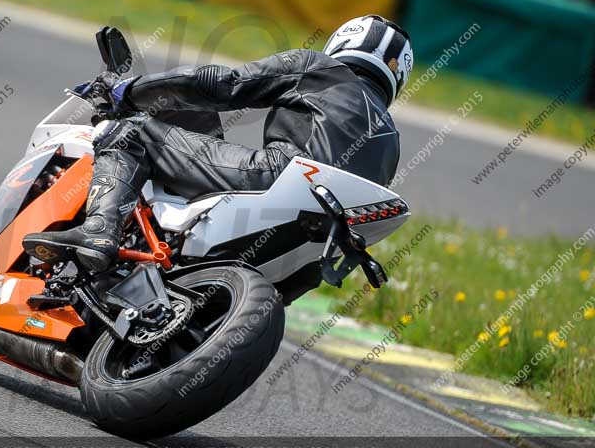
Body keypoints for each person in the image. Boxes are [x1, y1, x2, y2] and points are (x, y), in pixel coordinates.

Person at [23, 15, 413, 271]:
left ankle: (99, 229)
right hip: (313, 243)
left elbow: (220, 85)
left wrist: (129, 91)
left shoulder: (321, 68)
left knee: (130, 132)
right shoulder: (393, 141)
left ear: (343, 42)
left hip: (277, 178)